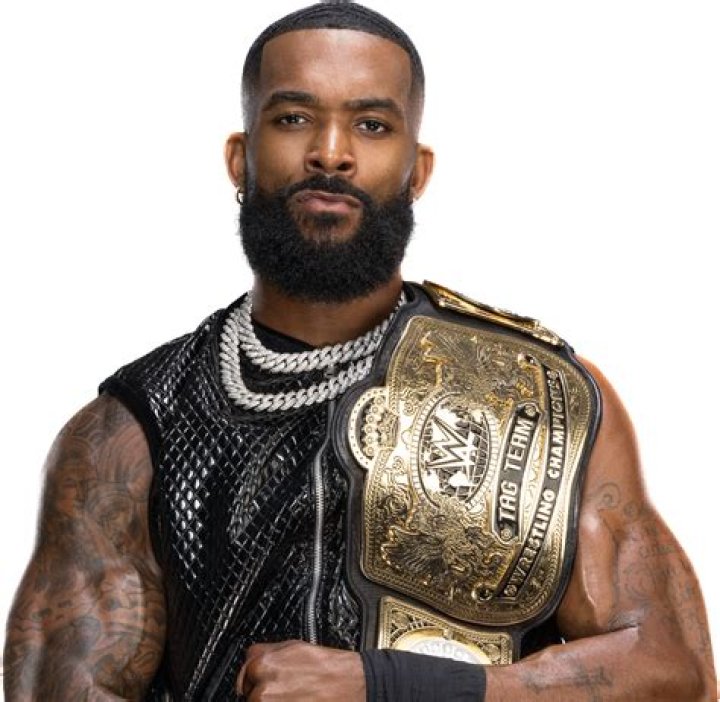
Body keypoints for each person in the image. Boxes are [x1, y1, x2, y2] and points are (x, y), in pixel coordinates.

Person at [3, 2, 716, 700]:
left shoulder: (543, 397)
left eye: (372, 125)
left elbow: (675, 674)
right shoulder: (130, 431)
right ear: (240, 159)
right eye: (293, 118)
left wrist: (394, 686)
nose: (331, 152)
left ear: (417, 171)